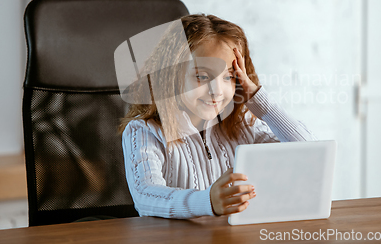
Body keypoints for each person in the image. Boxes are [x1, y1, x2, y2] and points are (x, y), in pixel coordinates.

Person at [119, 14, 317, 219]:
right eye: (202, 76)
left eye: (229, 77)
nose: (217, 91)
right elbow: (146, 197)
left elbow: (310, 154)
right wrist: (207, 201)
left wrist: (259, 101)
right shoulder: (144, 131)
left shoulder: (244, 128)